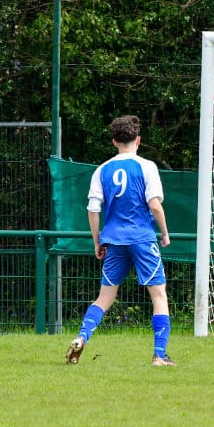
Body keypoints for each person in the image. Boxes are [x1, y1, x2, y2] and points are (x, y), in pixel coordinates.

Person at [65, 115, 174, 366]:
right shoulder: (146, 166)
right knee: (158, 296)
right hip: (142, 238)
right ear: (138, 140)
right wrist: (165, 233)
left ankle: (82, 337)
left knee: (104, 297)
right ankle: (159, 355)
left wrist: (97, 242)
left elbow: (93, 209)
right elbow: (154, 205)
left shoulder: (102, 169)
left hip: (114, 241)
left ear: (114, 141)